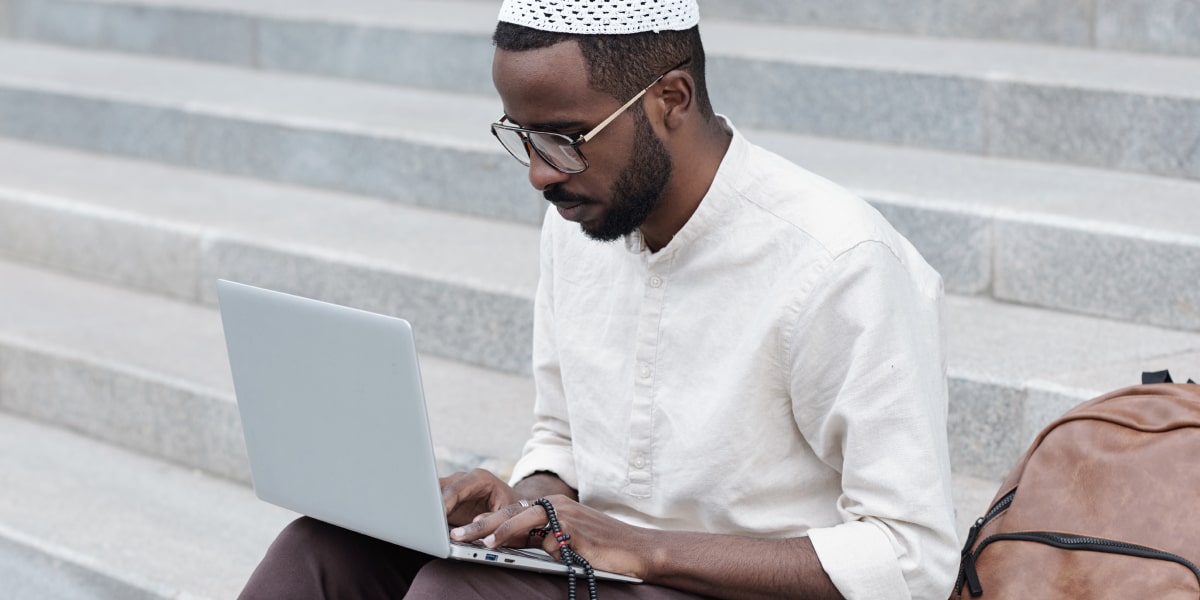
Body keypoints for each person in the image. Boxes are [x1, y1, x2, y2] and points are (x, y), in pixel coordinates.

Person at [238, 1, 959, 598]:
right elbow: (560, 436)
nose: (540, 176)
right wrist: (526, 500)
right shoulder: (585, 216)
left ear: (670, 99)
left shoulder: (840, 261)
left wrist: (642, 548)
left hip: (730, 588)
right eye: (524, 137)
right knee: (322, 553)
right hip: (599, 568)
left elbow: (911, 558)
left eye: (566, 138)